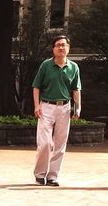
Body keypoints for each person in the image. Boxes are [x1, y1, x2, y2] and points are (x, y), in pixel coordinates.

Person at [32, 34, 81, 186]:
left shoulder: (73, 67)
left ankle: (53, 175)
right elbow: (36, 86)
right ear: (53, 49)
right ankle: (40, 173)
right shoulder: (46, 65)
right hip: (46, 106)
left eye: (64, 45)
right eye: (58, 45)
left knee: (60, 143)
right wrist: (36, 105)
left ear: (68, 48)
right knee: (45, 143)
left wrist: (77, 107)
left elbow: (76, 89)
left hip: (65, 108)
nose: (61, 47)